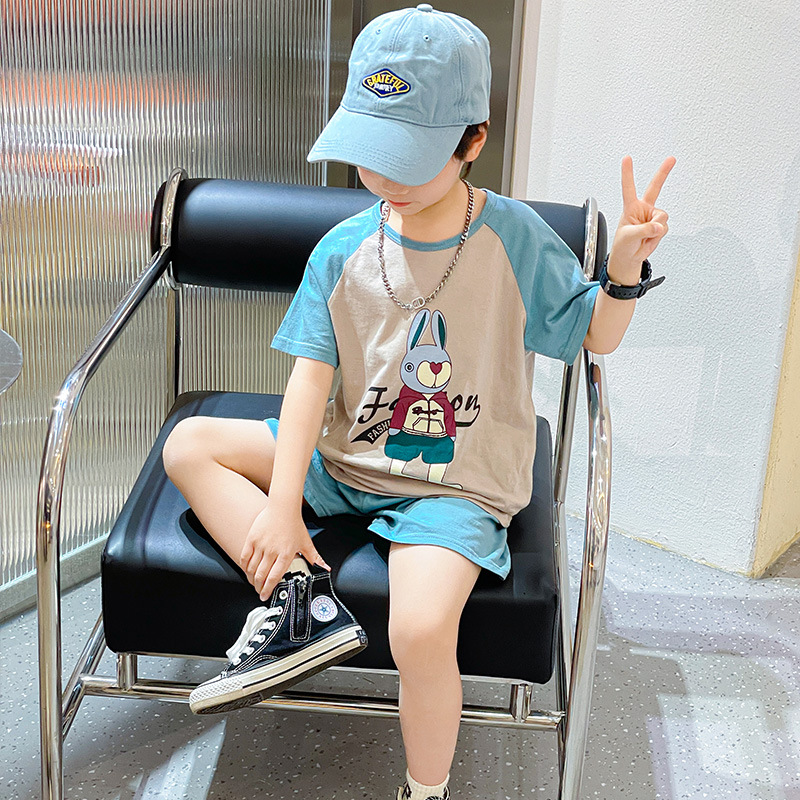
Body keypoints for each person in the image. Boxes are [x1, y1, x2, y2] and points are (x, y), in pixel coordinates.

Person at [162, 5, 675, 799]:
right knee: (188, 445)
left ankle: (425, 790)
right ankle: (301, 604)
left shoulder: (513, 238)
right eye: (373, 155)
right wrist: (283, 506)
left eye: (409, 157)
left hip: (455, 485)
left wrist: (624, 268)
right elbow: (309, 382)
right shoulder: (343, 249)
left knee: (422, 628)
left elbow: (594, 335)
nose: (387, 180)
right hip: (345, 459)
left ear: (474, 140)